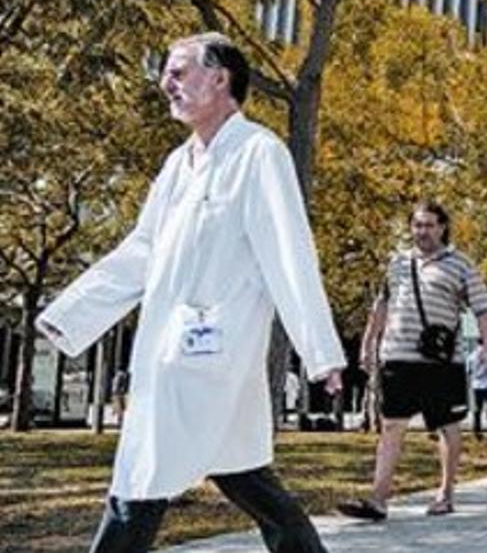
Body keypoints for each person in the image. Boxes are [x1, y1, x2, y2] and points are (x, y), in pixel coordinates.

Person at [35, 33, 346, 553]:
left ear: (220, 78)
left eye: (179, 72)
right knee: (243, 476)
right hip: (172, 353)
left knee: (140, 480)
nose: (166, 83)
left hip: (212, 356)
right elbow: (142, 251)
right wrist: (71, 313)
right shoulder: (179, 164)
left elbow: (289, 256)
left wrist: (321, 353)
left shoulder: (259, 154)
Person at [339, 201, 487, 521]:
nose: (421, 231)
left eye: (428, 225)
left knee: (447, 426)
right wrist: (369, 342)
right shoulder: (396, 263)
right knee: (392, 425)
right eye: (416, 225)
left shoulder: (460, 264)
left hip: (441, 362)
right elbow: (382, 305)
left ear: (442, 227)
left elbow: (483, 309)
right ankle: (378, 500)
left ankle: (445, 493)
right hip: (397, 357)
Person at [467, 338, 487, 440]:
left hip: (477, 386)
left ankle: (477, 432)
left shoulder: (472, 356)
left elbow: (469, 371)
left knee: (477, 410)